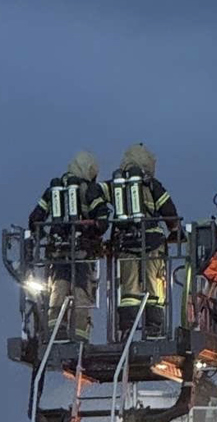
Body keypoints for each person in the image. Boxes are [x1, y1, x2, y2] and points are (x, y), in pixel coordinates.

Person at [28, 151, 110, 341]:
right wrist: (93, 232)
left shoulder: (53, 190)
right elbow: (103, 221)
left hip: (57, 252)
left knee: (58, 290)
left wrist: (44, 236)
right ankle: (80, 335)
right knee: (81, 292)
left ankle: (55, 331)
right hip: (82, 253)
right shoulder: (89, 190)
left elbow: (35, 219)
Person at [110, 143, 179, 338]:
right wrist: (176, 232)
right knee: (154, 287)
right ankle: (153, 328)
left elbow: (96, 205)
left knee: (128, 291)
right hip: (153, 244)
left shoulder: (116, 185)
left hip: (126, 244)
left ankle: (126, 329)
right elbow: (170, 213)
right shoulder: (153, 185)